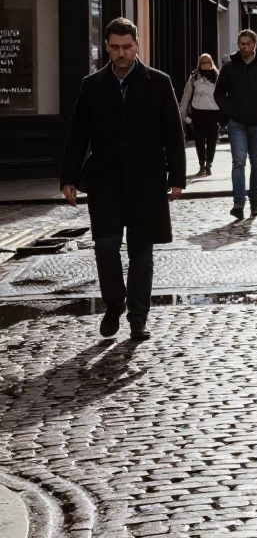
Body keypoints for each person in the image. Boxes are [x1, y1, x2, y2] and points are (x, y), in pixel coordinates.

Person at [60, 18, 186, 342]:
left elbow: (174, 133)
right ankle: (114, 304)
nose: (121, 53)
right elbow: (78, 135)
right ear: (106, 47)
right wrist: (68, 178)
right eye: (114, 47)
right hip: (105, 181)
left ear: (137, 44)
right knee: (105, 247)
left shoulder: (158, 82)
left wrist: (178, 177)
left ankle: (138, 318)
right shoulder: (92, 85)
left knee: (141, 254)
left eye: (126, 47)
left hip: (146, 181)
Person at [214, 30, 257, 220]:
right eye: (241, 43)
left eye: (247, 44)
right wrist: (229, 111)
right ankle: (238, 202)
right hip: (237, 122)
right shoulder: (229, 68)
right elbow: (219, 94)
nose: (244, 47)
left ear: (255, 45)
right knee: (238, 162)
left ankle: (254, 200)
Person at [178, 53, 221, 177]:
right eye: (203, 62)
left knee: (212, 139)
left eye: (208, 62)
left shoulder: (217, 77)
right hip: (199, 111)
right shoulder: (194, 77)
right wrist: (183, 113)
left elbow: (223, 95)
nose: (206, 65)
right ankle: (202, 164)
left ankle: (209, 164)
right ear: (200, 64)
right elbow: (186, 95)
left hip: (214, 111)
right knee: (200, 139)